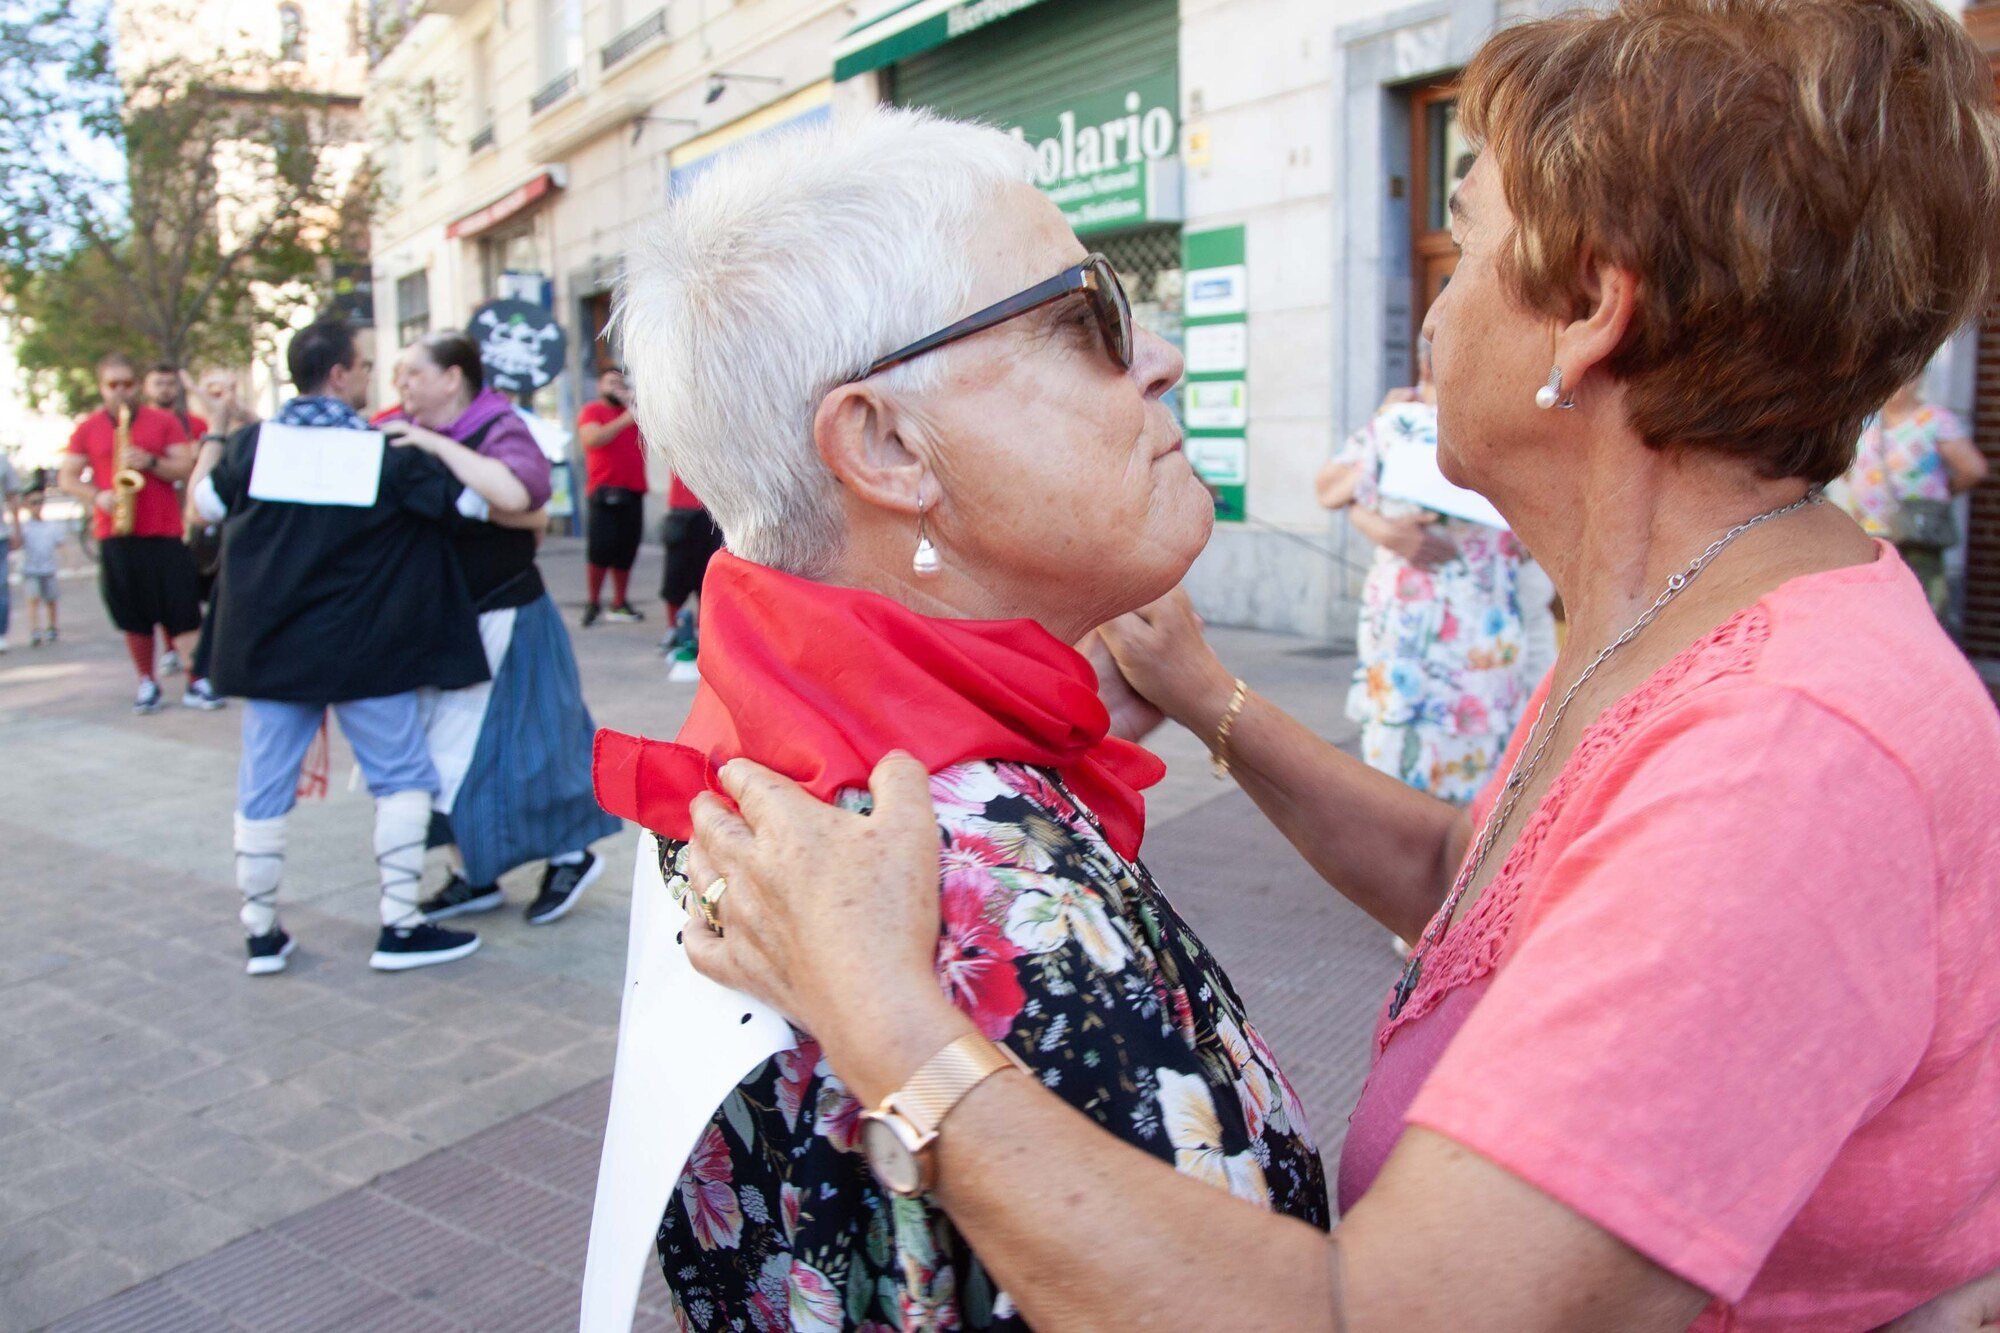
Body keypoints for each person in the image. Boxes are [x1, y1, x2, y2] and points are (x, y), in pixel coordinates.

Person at [673, 3, 2000, 1328]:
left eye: (1465, 240)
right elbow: (1474, 883)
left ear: (1591, 308)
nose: (1435, 303)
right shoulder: (1684, 610)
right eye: (1086, 321)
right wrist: (1209, 702)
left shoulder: (1787, 749)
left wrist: (894, 1030)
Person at [580, 108, 1326, 1332]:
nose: (1159, 359)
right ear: (883, 444)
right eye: (1088, 319)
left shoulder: (769, 758)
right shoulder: (962, 891)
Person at [189, 318, 518, 975]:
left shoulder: (255, 446)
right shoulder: (384, 451)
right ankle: (400, 925)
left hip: (276, 654)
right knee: (402, 779)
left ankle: (260, 933)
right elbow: (474, 507)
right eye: (365, 365)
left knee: (262, 785)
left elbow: (204, 505)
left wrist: (220, 427)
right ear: (338, 374)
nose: (374, 376)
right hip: (368, 651)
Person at [387, 331, 621, 927]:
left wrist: (436, 452)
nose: (402, 385)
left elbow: (526, 495)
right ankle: (475, 872)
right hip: (445, 622)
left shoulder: (497, 427)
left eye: (412, 372)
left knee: (536, 751)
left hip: (509, 616)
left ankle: (570, 855)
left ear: (452, 378)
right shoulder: (401, 426)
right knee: (447, 758)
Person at [1335, 348, 1530, 805]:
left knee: (1404, 787)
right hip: (1449, 630)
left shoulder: (1404, 425)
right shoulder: (1400, 425)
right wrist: (1381, 526)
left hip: (1452, 633)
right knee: (1471, 796)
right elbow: (1333, 489)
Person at [56, 352, 222, 711]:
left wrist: (149, 462)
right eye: (113, 385)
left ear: (137, 385)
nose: (121, 391)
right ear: (102, 388)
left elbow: (185, 467)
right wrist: (97, 495)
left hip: (163, 531)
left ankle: (197, 680)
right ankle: (147, 682)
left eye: (128, 383)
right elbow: (66, 477)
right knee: (133, 613)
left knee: (183, 609)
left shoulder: (161, 421)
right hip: (116, 532)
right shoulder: (88, 428)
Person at [1830, 375, 1989, 619]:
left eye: (1907, 378)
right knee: (1873, 610)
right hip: (1868, 531)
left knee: (1921, 607)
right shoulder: (1865, 421)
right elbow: (1845, 467)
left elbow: (1972, 469)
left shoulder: (1934, 420)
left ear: (1918, 379)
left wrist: (1936, 497)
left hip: (1916, 533)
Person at [576, 362, 648, 626]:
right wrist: (625, 419)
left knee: (626, 549)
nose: (615, 387)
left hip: (633, 489)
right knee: (600, 548)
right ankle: (593, 601)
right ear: (599, 386)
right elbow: (593, 439)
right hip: (603, 488)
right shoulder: (592, 411)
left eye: (619, 382)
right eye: (610, 382)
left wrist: (634, 404)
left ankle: (620, 601)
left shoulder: (636, 414)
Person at [656, 442, 721, 681]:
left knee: (709, 575)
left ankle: (708, 633)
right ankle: (674, 629)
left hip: (713, 507)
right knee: (676, 575)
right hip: (682, 509)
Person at [16, 488, 64, 646]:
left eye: (40, 502)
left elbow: (60, 544)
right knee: (32, 598)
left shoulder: (51, 525)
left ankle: (52, 626)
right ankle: (34, 629)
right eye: (33, 503)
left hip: (48, 567)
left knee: (51, 598)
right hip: (30, 569)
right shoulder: (24, 527)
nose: (38, 506)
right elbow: (16, 544)